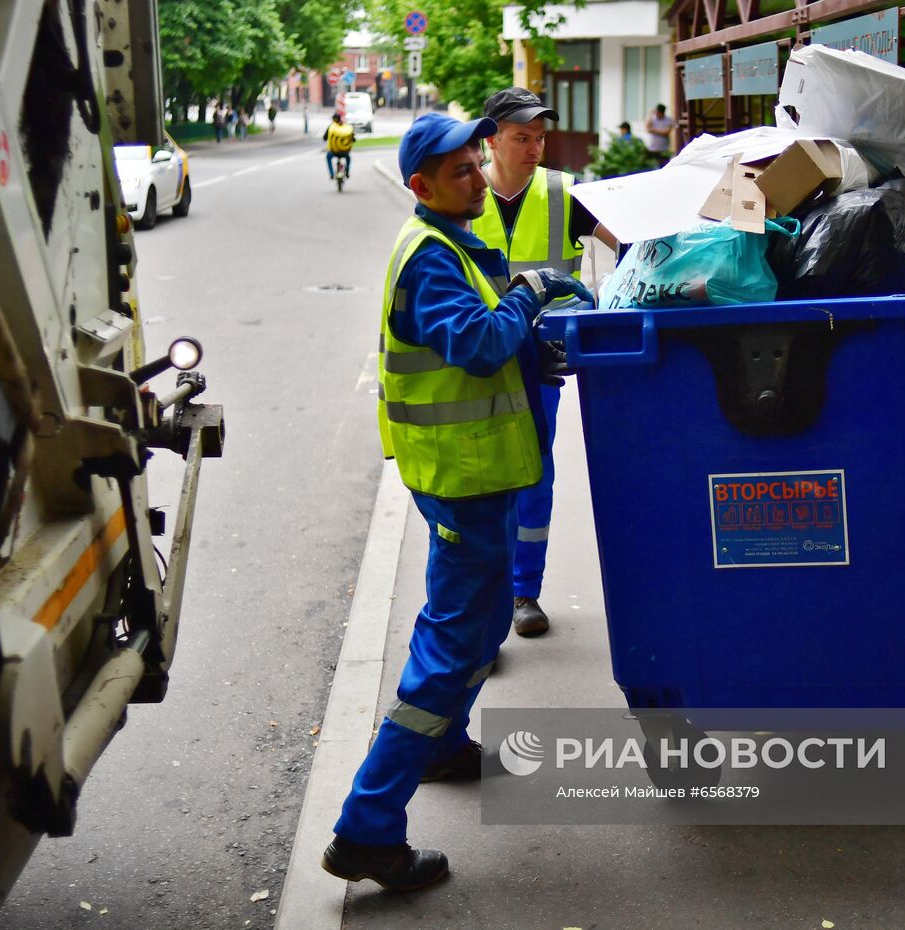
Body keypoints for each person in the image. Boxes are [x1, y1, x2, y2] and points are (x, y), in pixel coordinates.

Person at [321, 112, 592, 890]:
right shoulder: (431, 256)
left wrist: (526, 327)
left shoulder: (453, 243)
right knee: (453, 649)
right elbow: (475, 345)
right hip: (464, 478)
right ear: (421, 186)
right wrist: (530, 296)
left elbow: (482, 339)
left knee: (466, 634)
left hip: (475, 473)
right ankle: (367, 828)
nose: (479, 176)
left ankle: (440, 748)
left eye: (478, 162)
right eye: (462, 170)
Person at [473, 87, 618, 639]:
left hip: (541, 359)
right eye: (521, 138)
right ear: (491, 140)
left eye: (539, 138)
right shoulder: (463, 193)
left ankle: (522, 593)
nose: (535, 149)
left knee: (534, 472)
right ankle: (484, 599)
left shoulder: (564, 194)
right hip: (478, 357)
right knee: (483, 483)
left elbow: (627, 244)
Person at [323, 112, 355, 180]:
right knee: (348, 158)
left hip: (333, 152)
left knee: (328, 157)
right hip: (344, 152)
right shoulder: (346, 127)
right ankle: (347, 172)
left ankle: (331, 174)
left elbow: (325, 138)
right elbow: (353, 139)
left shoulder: (331, 127)